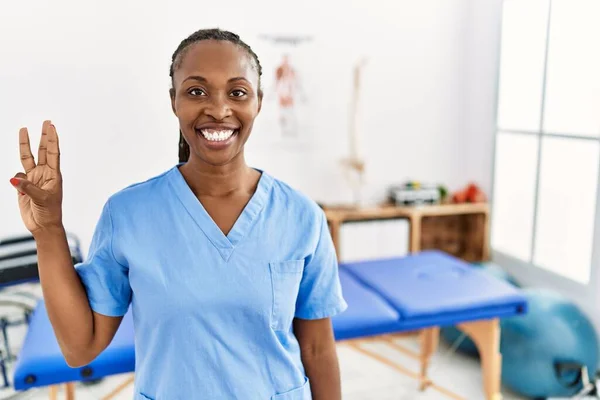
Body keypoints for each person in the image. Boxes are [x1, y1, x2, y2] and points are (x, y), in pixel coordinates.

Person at [9, 28, 347, 399]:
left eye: (237, 92)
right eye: (197, 91)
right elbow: (81, 347)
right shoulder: (129, 214)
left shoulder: (301, 217)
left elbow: (317, 349)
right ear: (174, 101)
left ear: (258, 102)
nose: (219, 110)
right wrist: (48, 229)